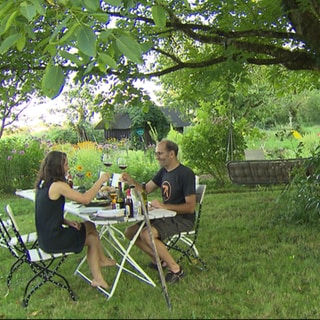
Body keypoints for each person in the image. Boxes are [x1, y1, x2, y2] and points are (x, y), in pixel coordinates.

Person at [34, 150, 116, 290]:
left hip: (44, 238)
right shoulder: (58, 185)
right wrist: (100, 181)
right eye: (65, 164)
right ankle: (98, 279)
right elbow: (85, 199)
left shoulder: (43, 184)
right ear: (57, 167)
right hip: (53, 240)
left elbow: (47, 213)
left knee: (89, 224)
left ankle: (101, 259)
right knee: (92, 239)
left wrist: (65, 221)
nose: (68, 167)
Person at [121, 139, 196, 284]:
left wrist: (164, 206)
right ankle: (159, 260)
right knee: (129, 232)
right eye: (156, 153)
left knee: (147, 234)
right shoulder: (163, 172)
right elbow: (145, 190)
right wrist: (131, 181)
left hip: (182, 219)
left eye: (160, 153)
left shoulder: (185, 174)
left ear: (172, 154)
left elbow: (190, 207)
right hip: (164, 216)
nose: (157, 157)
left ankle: (176, 269)